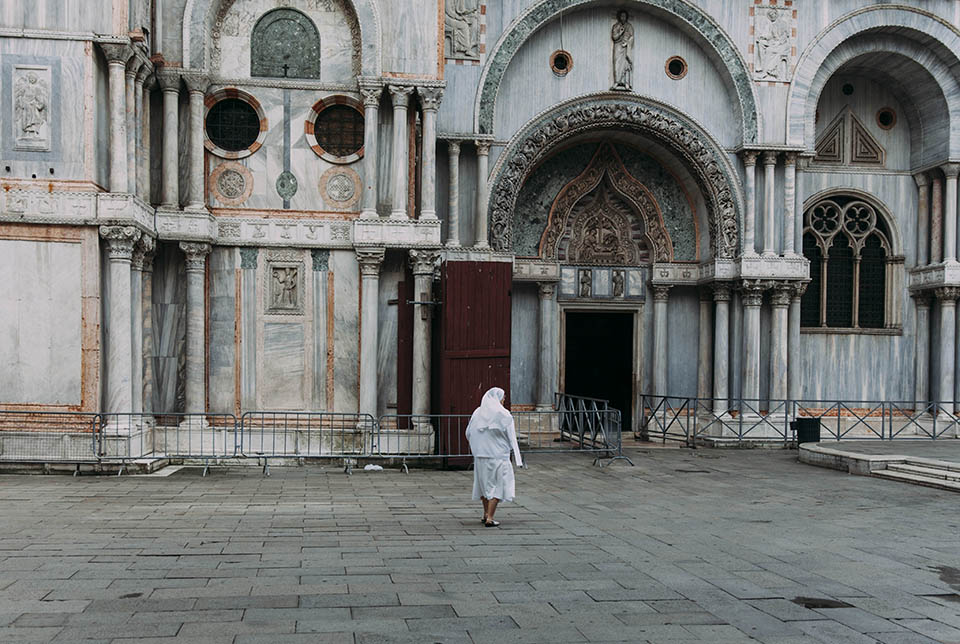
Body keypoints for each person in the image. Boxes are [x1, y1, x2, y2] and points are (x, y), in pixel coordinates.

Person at [465, 387, 523, 527]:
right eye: (503, 397)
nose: (504, 400)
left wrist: (476, 447)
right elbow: (511, 437)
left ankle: (485, 514)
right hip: (498, 456)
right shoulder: (503, 414)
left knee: (483, 485)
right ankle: (490, 517)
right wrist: (516, 454)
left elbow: (468, 432)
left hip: (481, 455)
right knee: (499, 485)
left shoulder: (478, 412)